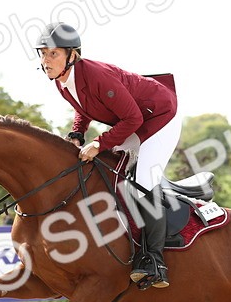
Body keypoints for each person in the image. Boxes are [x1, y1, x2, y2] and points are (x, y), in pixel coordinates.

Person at [37, 22, 182, 288]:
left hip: (162, 118)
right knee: (109, 168)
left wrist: (98, 143)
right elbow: (83, 108)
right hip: (136, 122)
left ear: (72, 54)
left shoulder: (95, 75)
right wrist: (78, 134)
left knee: (142, 182)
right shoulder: (62, 81)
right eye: (43, 53)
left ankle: (154, 260)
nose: (46, 60)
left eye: (53, 54)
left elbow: (132, 117)